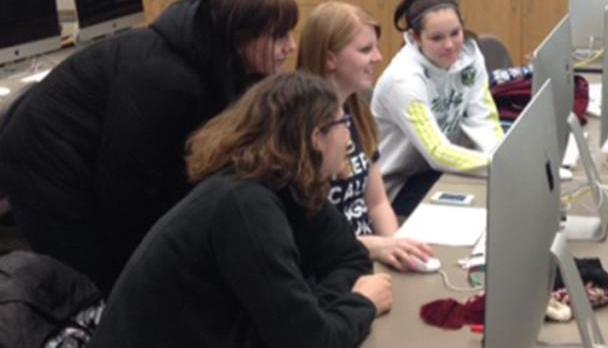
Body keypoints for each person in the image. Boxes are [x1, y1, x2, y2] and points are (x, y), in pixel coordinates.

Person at [0, 0, 298, 293]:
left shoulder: (217, 63)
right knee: (103, 290)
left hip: (88, 167)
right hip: (47, 177)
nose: (291, 47)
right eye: (279, 36)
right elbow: (124, 191)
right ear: (241, 39)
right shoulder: (166, 79)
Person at [88, 72, 392, 348]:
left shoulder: (291, 184)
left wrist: (315, 310)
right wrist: (359, 303)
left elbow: (349, 257)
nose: (349, 137)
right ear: (316, 138)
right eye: (344, 125)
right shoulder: (244, 205)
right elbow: (309, 341)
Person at [297, 1, 436, 272]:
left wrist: (397, 247)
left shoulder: (357, 113)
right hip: (334, 266)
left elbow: (377, 202)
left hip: (370, 255)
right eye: (365, 50)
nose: (378, 58)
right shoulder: (300, 129)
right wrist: (380, 247)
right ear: (330, 59)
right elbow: (308, 238)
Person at [371, 0, 504, 216]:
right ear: (414, 38)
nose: (450, 45)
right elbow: (437, 152)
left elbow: (483, 119)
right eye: (437, 38)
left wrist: (504, 156)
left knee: (501, 193)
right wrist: (504, 167)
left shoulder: (469, 57)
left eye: (455, 33)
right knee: (486, 206)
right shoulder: (403, 80)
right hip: (398, 186)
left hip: (441, 169)